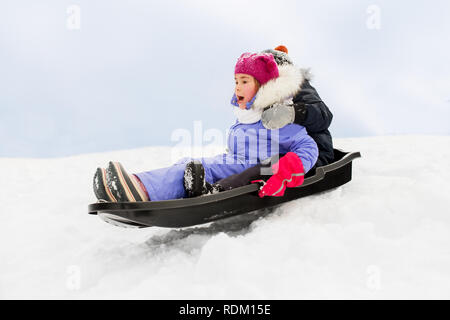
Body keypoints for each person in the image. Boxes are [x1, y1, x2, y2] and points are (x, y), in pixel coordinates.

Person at [93, 51, 318, 202]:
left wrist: (290, 166)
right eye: (236, 81)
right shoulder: (247, 116)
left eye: (245, 81)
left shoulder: (274, 117)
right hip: (236, 163)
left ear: (263, 87)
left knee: (193, 170)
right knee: (189, 164)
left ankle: (139, 189)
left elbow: (307, 146)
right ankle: (140, 186)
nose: (237, 87)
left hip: (254, 169)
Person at [185, 46, 334, 197]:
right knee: (245, 165)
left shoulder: (298, 86)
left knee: (265, 167)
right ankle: (208, 183)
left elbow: (324, 115)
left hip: (309, 155)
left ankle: (218, 191)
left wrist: (293, 112)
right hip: (281, 151)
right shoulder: (266, 92)